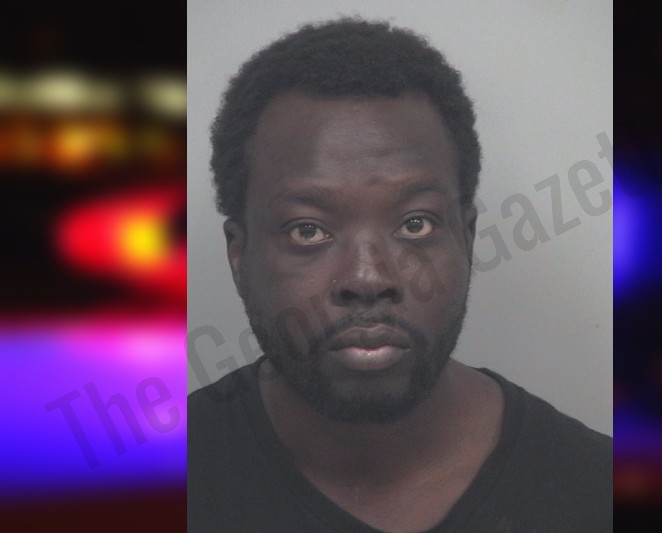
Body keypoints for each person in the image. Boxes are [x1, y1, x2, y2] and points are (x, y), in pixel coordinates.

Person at [188, 18, 611, 533]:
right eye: (307, 230)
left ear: (468, 238)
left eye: (415, 224)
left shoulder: (597, 494)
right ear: (239, 254)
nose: (368, 279)